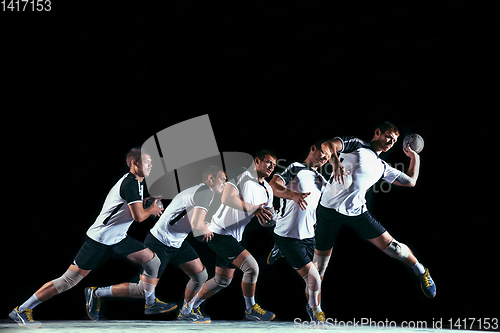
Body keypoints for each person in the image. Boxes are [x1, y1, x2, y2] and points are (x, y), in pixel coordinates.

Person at [9, 148, 168, 328]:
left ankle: (150, 302)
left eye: (151, 162)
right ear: (134, 163)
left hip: (118, 238)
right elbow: (139, 217)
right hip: (100, 239)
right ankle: (22, 310)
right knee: (67, 281)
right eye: (147, 162)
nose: (151, 165)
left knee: (152, 262)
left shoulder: (137, 183)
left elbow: (129, 208)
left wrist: (146, 201)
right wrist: (152, 210)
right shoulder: (130, 183)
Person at [314, 122, 436, 306]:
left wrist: (414, 158)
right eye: (388, 136)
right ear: (377, 132)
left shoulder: (382, 167)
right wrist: (336, 163)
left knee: (394, 248)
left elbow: (411, 181)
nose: (390, 142)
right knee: (319, 267)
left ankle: (421, 271)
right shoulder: (356, 144)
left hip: (357, 212)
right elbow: (327, 145)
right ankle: (314, 310)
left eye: (394, 140)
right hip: (328, 211)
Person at [85, 165, 226, 324]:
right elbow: (197, 226)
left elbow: (193, 220)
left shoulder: (205, 193)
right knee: (142, 291)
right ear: (210, 179)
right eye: (222, 179)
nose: (224, 183)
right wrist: (205, 229)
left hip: (177, 241)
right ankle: (97, 293)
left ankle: (186, 311)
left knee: (200, 275)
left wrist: (205, 226)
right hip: (159, 241)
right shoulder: (205, 192)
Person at [184, 150, 277, 322]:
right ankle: (251, 309)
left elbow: (264, 217)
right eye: (268, 162)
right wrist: (254, 209)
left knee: (222, 281)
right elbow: (227, 198)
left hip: (234, 237)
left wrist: (269, 218)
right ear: (257, 160)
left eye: (274, 164)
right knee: (252, 268)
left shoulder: (268, 190)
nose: (272, 166)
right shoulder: (243, 174)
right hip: (219, 232)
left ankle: (188, 309)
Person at [268, 141, 331, 323]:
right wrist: (292, 194)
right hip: (287, 235)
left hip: (309, 236)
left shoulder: (321, 180)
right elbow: (274, 184)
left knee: (316, 279)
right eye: (323, 153)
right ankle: (315, 310)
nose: (324, 158)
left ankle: (312, 306)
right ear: (313, 148)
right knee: (313, 278)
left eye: (328, 157)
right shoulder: (296, 167)